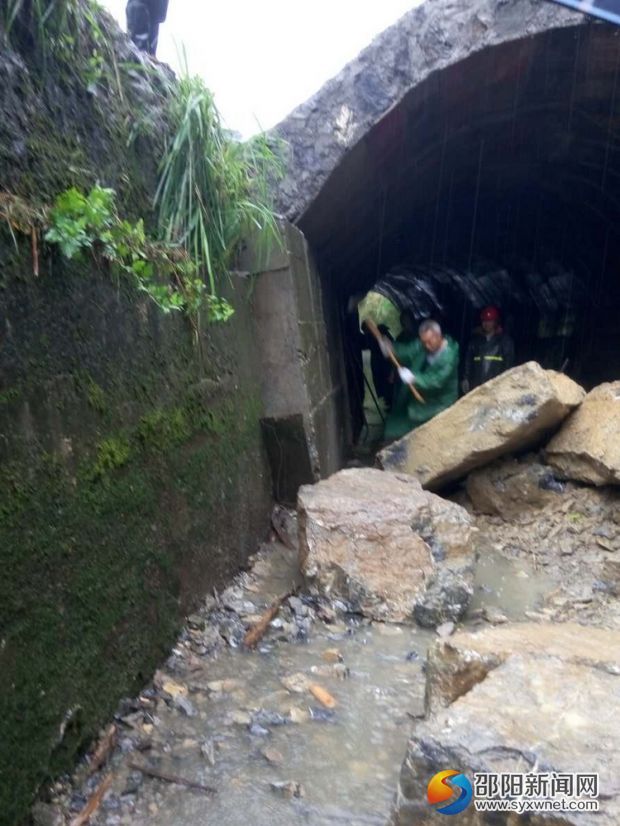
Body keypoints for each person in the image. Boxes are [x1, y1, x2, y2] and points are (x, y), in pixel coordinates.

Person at [383, 319, 459, 442]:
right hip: (423, 398)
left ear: (438, 336)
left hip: (441, 402)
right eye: (424, 342)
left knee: (435, 434)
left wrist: (413, 378)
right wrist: (391, 348)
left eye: (429, 342)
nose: (427, 346)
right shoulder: (423, 344)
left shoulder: (450, 354)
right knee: (402, 424)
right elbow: (408, 351)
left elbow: (437, 380)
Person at [462, 306, 515, 393]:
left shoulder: (505, 342)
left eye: (489, 321)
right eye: (484, 321)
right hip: (477, 385)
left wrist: (506, 384)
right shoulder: (475, 342)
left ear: (496, 322)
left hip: (496, 387)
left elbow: (509, 364)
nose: (486, 324)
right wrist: (465, 378)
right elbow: (468, 362)